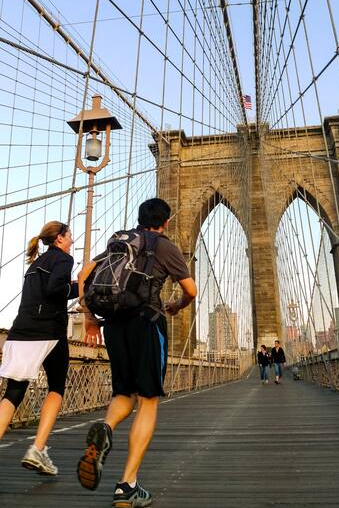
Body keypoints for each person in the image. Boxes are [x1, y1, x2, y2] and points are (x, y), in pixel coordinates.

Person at [77, 198, 197, 508]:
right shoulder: (164, 245)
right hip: (147, 323)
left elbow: (85, 273)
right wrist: (177, 306)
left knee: (123, 394)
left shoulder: (120, 240)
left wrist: (90, 317)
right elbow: (191, 291)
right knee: (147, 399)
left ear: (140, 218)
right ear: (166, 221)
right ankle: (126, 485)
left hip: (115, 325)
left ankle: (105, 427)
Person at [0, 221, 77, 474]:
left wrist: (74, 286)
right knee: (56, 388)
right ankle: (38, 449)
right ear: (60, 239)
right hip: (48, 332)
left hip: (21, 330)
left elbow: (45, 290)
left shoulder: (35, 264)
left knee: (13, 393)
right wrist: (82, 286)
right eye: (70, 236)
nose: (72, 241)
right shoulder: (64, 260)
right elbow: (56, 289)